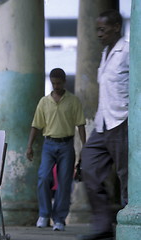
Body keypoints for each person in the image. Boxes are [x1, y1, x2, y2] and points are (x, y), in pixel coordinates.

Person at [78, 10, 129, 240]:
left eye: (102, 29)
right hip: (103, 123)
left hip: (122, 121)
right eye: (97, 29)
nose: (98, 34)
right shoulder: (106, 52)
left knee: (126, 175)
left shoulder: (128, 51)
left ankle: (132, 226)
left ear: (116, 27)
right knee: (88, 166)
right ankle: (103, 224)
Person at [26, 68, 86, 231]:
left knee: (64, 182)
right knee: (43, 177)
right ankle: (44, 214)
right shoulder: (44, 102)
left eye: (58, 83)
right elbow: (35, 125)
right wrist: (29, 146)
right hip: (49, 144)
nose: (56, 86)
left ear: (64, 82)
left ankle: (59, 218)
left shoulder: (73, 101)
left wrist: (84, 148)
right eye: (53, 83)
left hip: (67, 145)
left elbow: (80, 125)